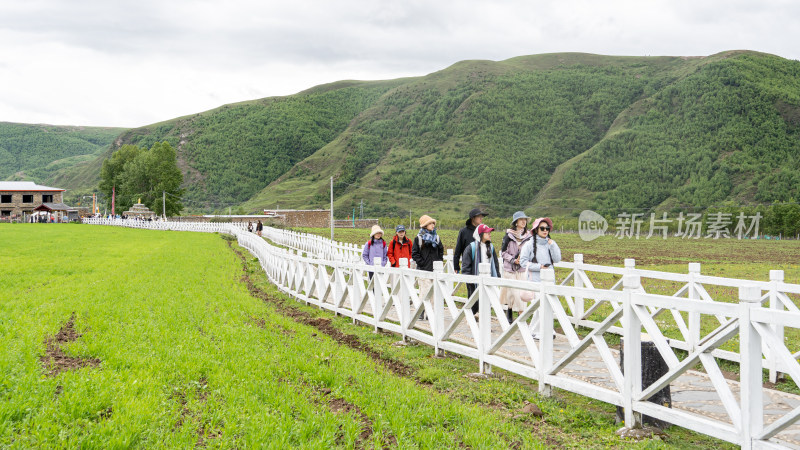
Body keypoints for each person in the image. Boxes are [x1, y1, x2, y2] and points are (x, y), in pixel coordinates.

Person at [519, 217, 562, 339]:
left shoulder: (550, 243)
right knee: (540, 307)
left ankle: (535, 330)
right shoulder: (529, 245)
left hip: (550, 280)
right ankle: (544, 331)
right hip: (535, 281)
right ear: (536, 229)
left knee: (547, 306)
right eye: (542, 228)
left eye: (547, 228)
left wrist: (552, 245)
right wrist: (540, 267)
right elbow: (523, 262)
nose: (545, 230)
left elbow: (557, 259)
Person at [460, 224, 501, 318]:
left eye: (490, 232)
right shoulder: (471, 248)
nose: (490, 234)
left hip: (488, 280)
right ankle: (472, 323)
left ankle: (485, 326)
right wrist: (470, 282)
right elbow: (466, 267)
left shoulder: (491, 247)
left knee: (487, 303)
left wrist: (497, 277)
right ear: (481, 234)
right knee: (474, 304)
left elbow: (495, 263)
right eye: (487, 233)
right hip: (474, 282)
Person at [500, 211, 533, 323]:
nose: (524, 222)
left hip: (522, 269)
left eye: (525, 220)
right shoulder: (508, 236)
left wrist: (523, 260)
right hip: (510, 269)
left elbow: (531, 252)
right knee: (512, 292)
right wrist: (513, 260)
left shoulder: (529, 237)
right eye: (521, 220)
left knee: (522, 293)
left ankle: (520, 314)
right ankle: (511, 310)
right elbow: (503, 253)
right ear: (516, 222)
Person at [453, 208, 487, 313]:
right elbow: (458, 249)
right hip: (469, 266)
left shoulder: (483, 231)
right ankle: (471, 314)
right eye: (479, 216)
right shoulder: (464, 232)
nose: (481, 218)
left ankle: (481, 313)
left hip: (482, 265)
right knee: (472, 291)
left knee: (483, 290)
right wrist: (456, 266)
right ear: (473, 218)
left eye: (482, 217)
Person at [411, 215, 444, 315]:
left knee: (434, 292)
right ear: (425, 225)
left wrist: (438, 261)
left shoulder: (436, 238)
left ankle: (431, 313)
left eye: (433, 223)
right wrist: (422, 263)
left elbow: (441, 250)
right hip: (423, 269)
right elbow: (415, 253)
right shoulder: (419, 238)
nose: (433, 225)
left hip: (434, 269)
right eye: (430, 223)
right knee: (425, 291)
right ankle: (421, 311)